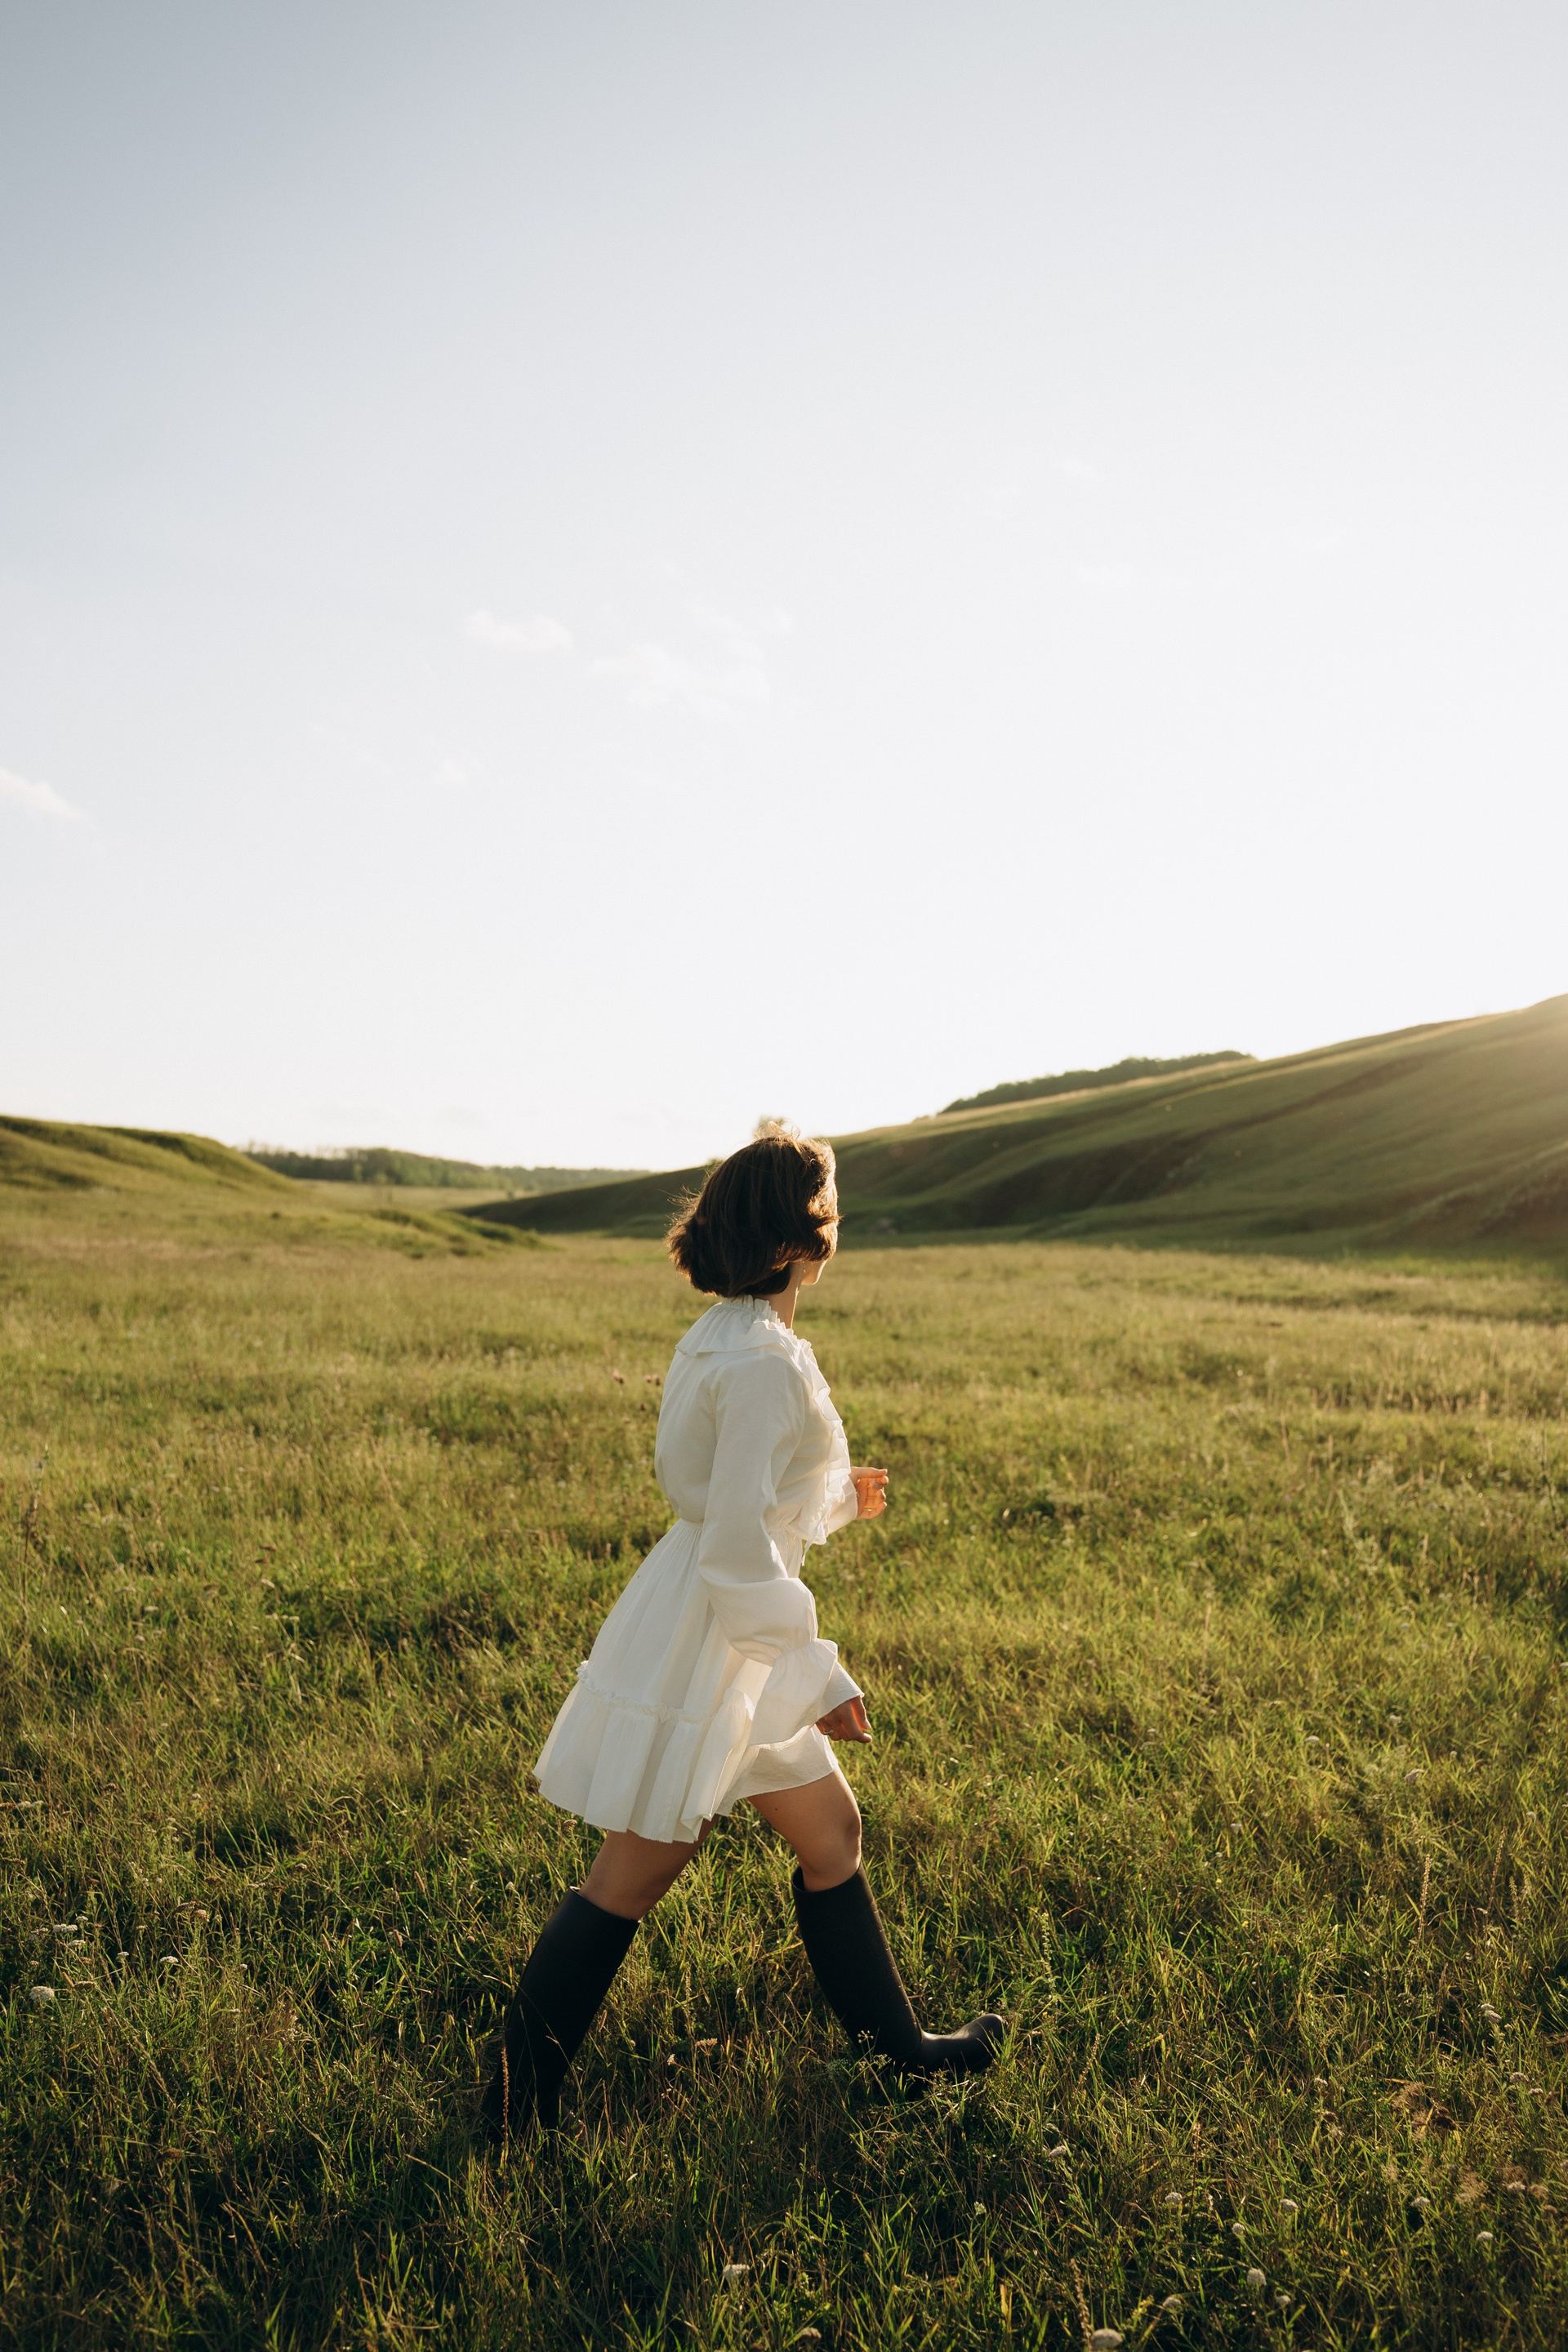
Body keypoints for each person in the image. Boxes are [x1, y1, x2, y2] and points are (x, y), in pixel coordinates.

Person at [483, 1125, 1004, 2136]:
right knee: (632, 1874)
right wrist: (817, 1672)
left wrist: (836, 1499)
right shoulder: (763, 1362)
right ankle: (511, 2106)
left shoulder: (724, 1336)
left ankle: (902, 2057)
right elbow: (734, 1546)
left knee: (831, 1834)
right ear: (804, 1237)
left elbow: (734, 1498)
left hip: (714, 1622)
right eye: (830, 1208)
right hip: (718, 1642)